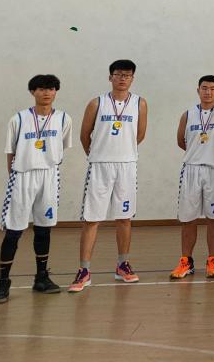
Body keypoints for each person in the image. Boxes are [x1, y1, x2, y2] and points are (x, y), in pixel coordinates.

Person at [0, 75, 73, 304]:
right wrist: (16, 176)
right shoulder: (18, 119)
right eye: (41, 89)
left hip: (49, 176)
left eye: (51, 88)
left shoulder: (64, 118)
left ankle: (41, 278)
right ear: (32, 92)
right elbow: (10, 152)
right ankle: (3, 283)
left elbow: (62, 148)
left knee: (44, 228)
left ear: (56, 91)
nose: (46, 93)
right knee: (14, 231)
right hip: (23, 176)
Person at [69, 59, 148, 292]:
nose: (122, 78)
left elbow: (139, 135)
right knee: (92, 219)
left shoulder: (140, 103)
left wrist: (123, 152)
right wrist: (98, 155)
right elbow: (85, 135)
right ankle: (84, 270)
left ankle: (122, 265)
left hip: (126, 166)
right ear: (110, 77)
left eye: (127, 75)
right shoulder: (97, 103)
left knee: (124, 217)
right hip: (100, 166)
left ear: (132, 78)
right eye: (118, 74)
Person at [170, 75, 214, 279]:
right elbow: (181, 141)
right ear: (198, 90)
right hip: (191, 170)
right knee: (188, 218)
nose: (208, 92)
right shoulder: (188, 114)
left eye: (212, 88)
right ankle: (186, 261)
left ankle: (212, 260)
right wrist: (198, 153)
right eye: (205, 88)